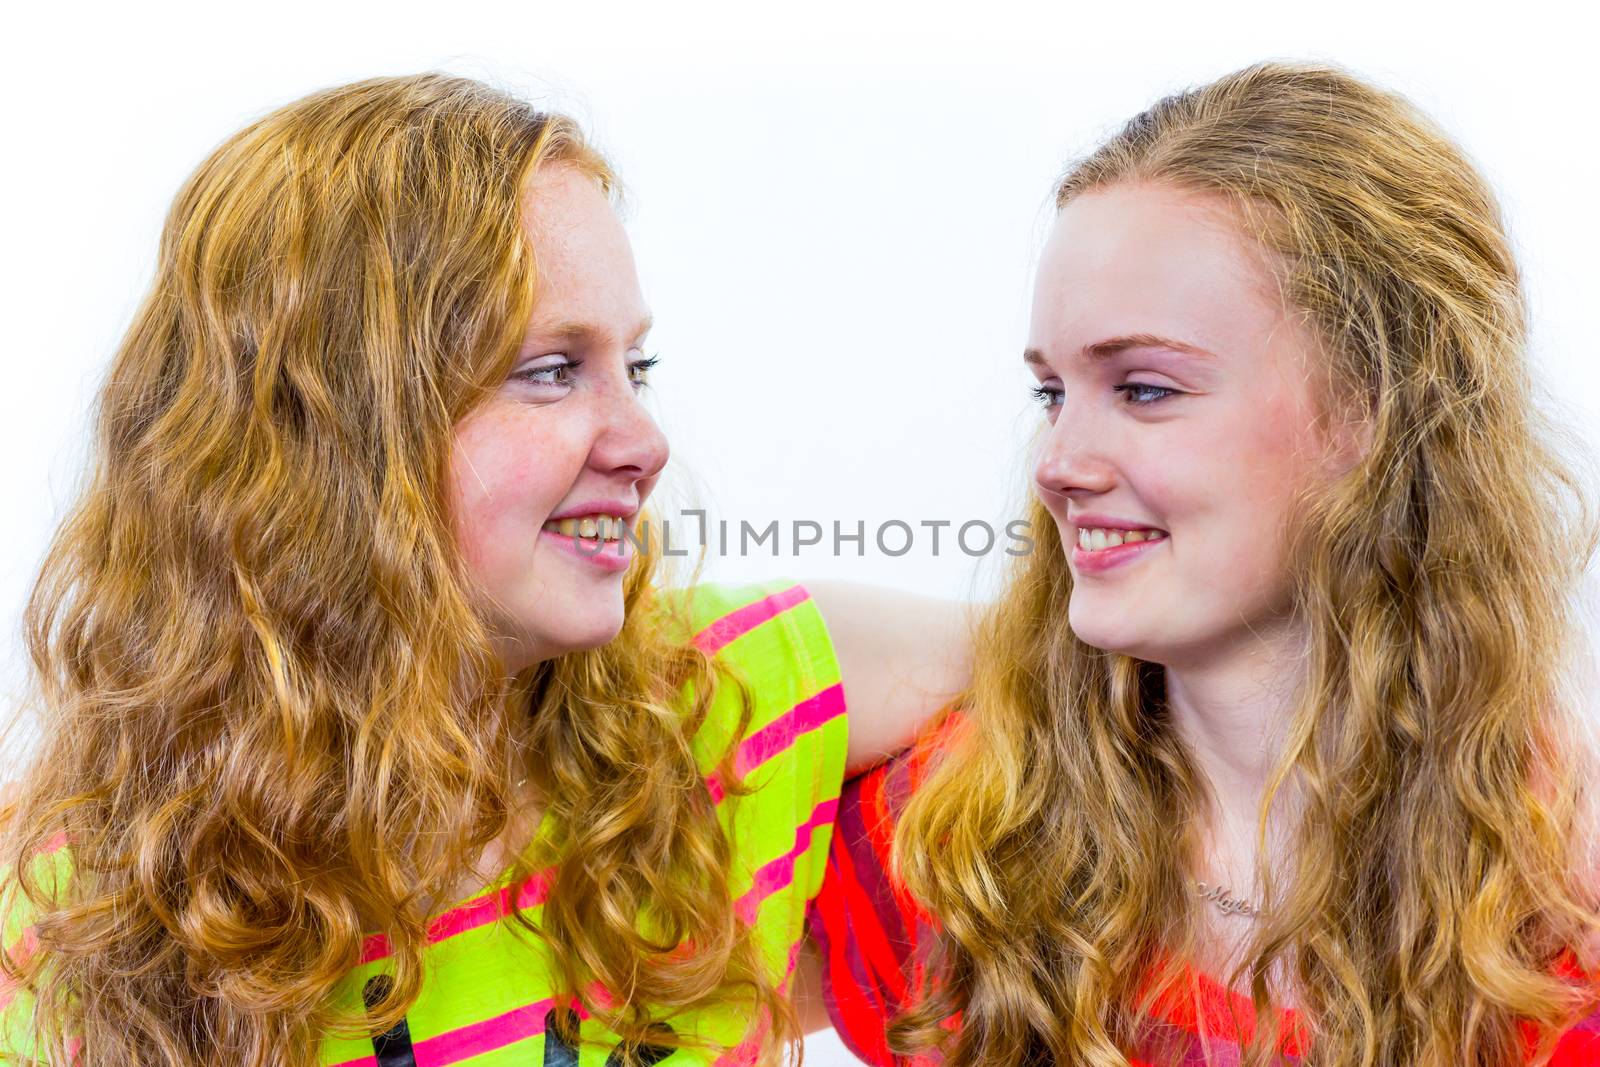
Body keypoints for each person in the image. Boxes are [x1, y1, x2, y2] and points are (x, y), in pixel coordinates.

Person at [0, 73, 968, 1067]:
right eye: (552, 370)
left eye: (636, 367)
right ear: (341, 429)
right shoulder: (63, 914)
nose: (644, 440)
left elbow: (1094, 664)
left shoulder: (728, 705)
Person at [802, 60, 1600, 1065]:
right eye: (1053, 392)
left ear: (1370, 409)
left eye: (1142, 389)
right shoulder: (953, 849)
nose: (1057, 465)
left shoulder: (1561, 922)